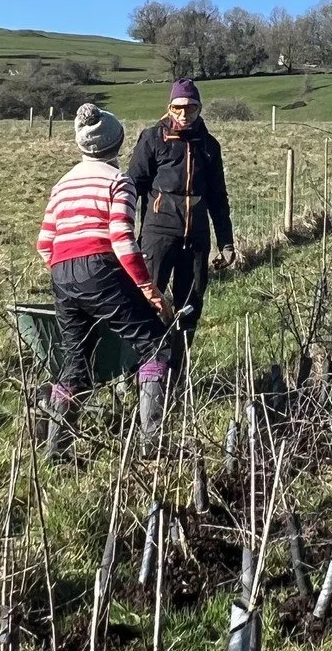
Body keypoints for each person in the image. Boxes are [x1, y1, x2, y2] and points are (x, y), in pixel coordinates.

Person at [37, 103, 173, 443]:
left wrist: (67, 276)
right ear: (118, 143)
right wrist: (148, 289)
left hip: (60, 273)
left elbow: (44, 243)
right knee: (155, 345)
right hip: (100, 267)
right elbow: (122, 240)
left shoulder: (63, 184)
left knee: (74, 361)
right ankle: (152, 442)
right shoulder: (118, 181)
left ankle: (58, 447)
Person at [125, 79, 235, 351]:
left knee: (191, 306)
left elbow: (218, 197)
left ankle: (179, 373)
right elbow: (132, 187)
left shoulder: (209, 146)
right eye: (178, 108)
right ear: (169, 108)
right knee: (148, 303)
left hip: (197, 239)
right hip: (157, 235)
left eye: (191, 108)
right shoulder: (151, 139)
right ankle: (145, 372)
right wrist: (121, 236)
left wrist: (226, 242)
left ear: (199, 109)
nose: (184, 114)